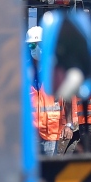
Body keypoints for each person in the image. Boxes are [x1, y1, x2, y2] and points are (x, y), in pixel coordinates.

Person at [28, 25, 67, 157]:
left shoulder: (55, 72)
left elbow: (67, 99)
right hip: (30, 132)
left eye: (35, 45)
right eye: (30, 46)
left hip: (50, 130)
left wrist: (68, 124)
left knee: (48, 170)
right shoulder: (25, 72)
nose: (33, 49)